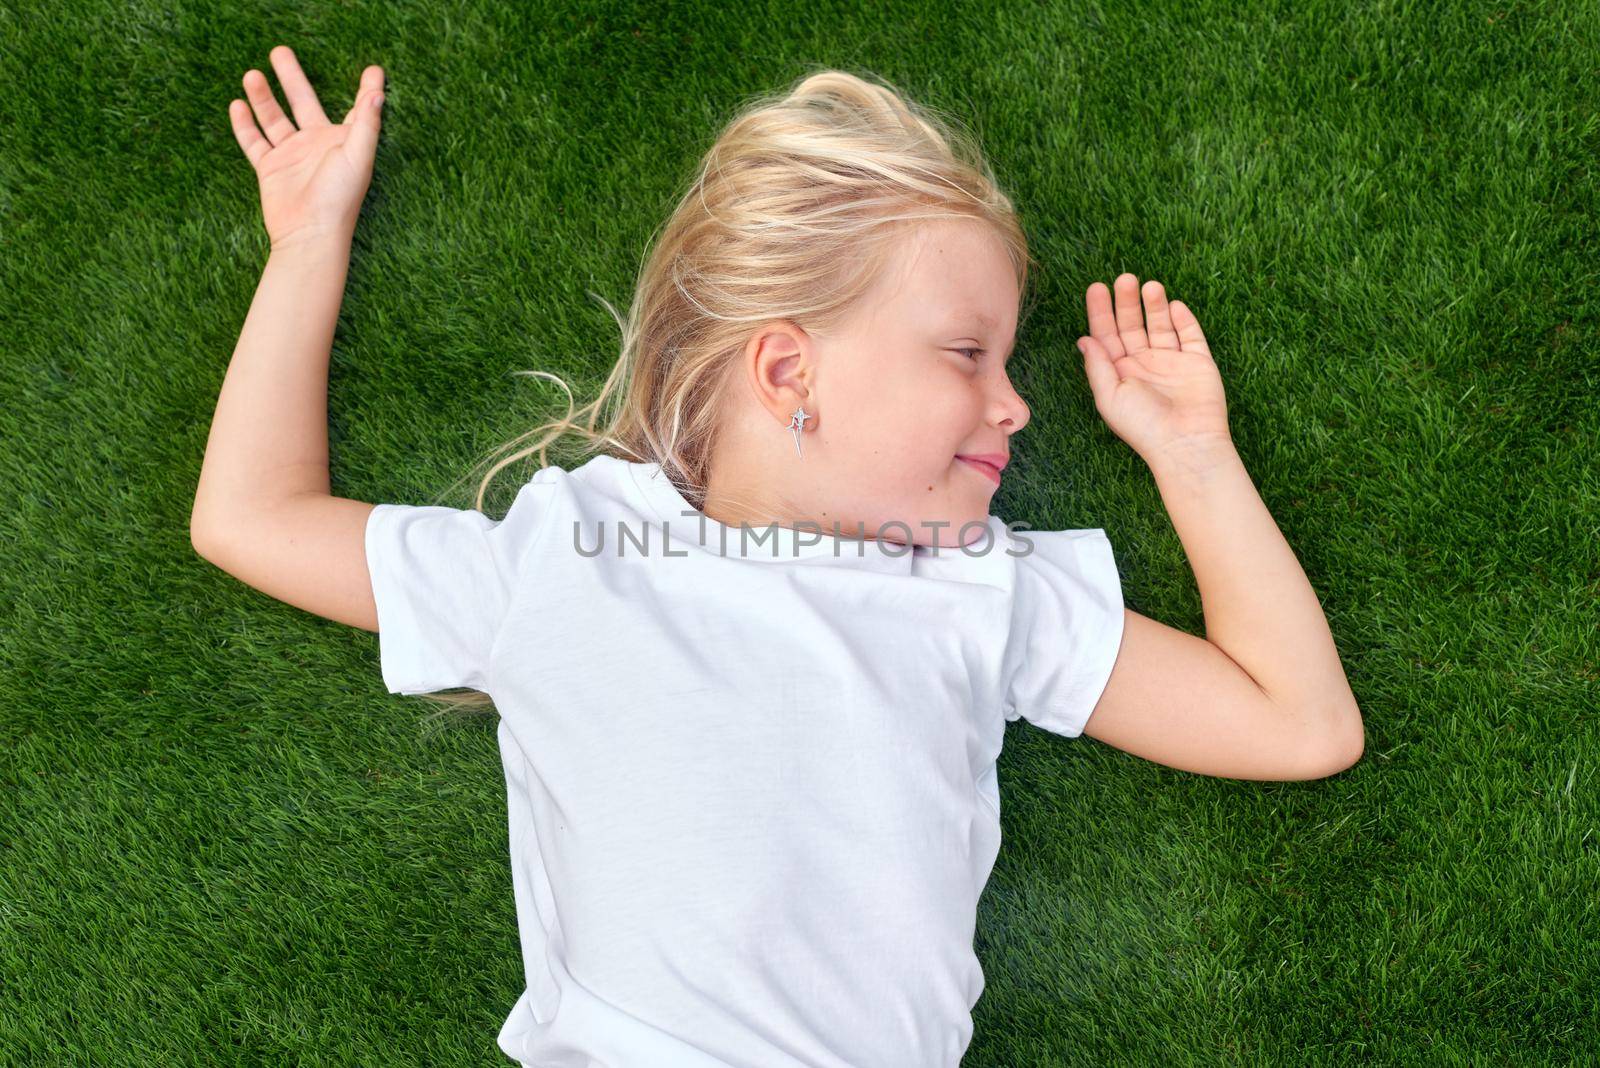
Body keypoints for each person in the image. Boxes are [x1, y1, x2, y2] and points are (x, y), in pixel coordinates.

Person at [192, 44, 1365, 1068]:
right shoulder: (571, 552)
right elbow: (250, 517)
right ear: (788, 373)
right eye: (968, 353)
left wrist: (1191, 454)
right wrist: (306, 242)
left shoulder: (982, 586)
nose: (1015, 405)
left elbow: (1297, 726)